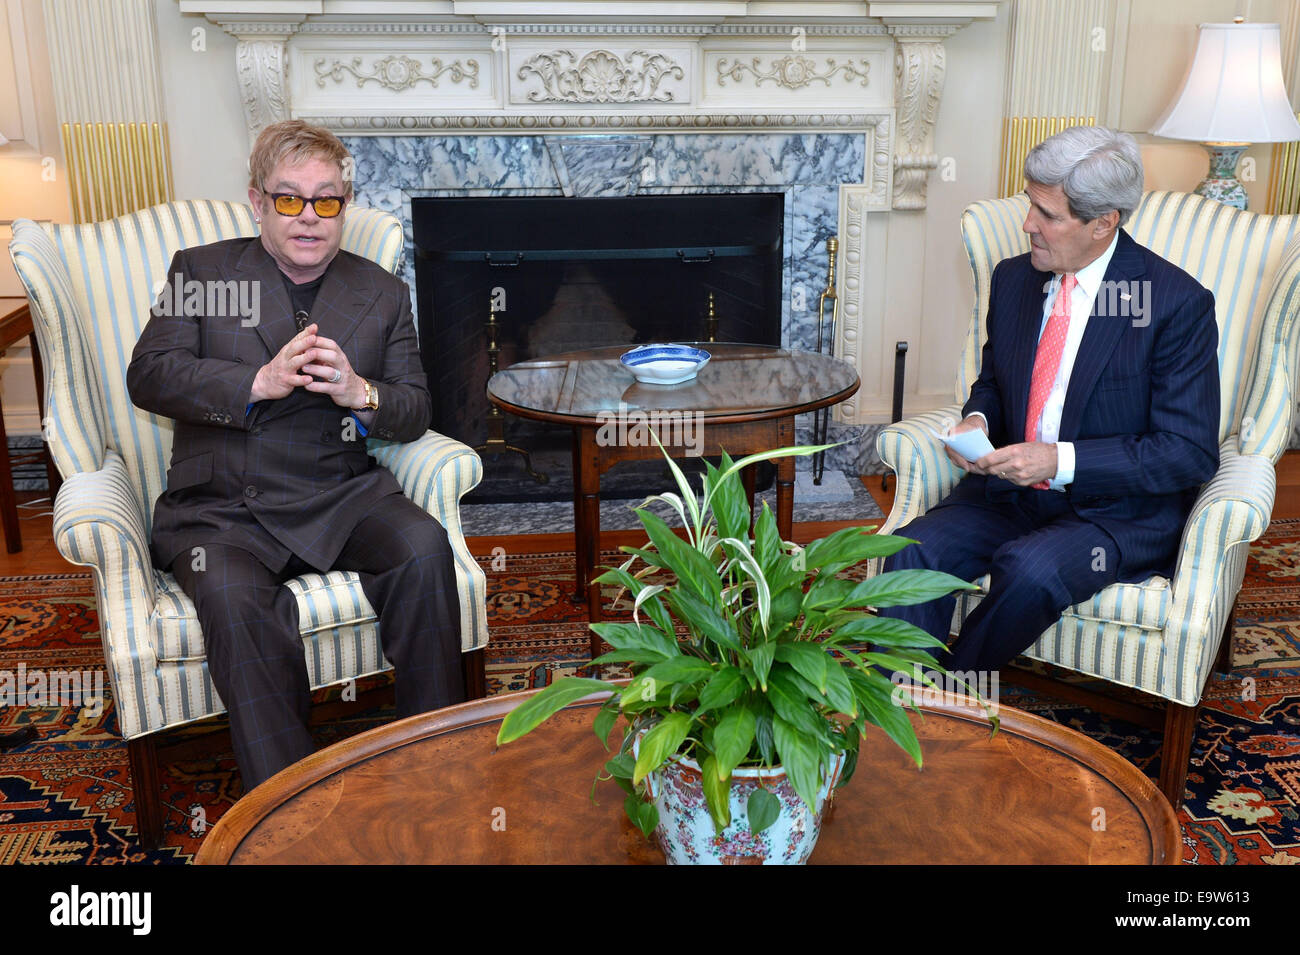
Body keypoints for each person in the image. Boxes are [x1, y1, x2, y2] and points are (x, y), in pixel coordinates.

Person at [127, 120, 466, 791]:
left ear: (344, 204)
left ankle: (435, 765)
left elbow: (415, 408)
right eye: (289, 198)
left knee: (424, 546)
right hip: (223, 509)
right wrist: (257, 382)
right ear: (258, 202)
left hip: (340, 493)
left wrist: (360, 391)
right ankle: (287, 800)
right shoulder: (202, 272)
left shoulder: (382, 292)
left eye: (326, 200)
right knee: (233, 599)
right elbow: (150, 375)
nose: (309, 216)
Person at [880, 126, 1219, 674]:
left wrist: (1057, 460)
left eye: (1048, 214)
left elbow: (1188, 452)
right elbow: (995, 380)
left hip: (1111, 515)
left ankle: (949, 699)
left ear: (1103, 222)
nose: (1027, 225)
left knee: (1029, 570)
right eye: (1029, 204)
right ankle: (896, 699)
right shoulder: (1014, 279)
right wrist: (977, 419)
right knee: (910, 551)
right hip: (1008, 495)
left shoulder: (1173, 304)